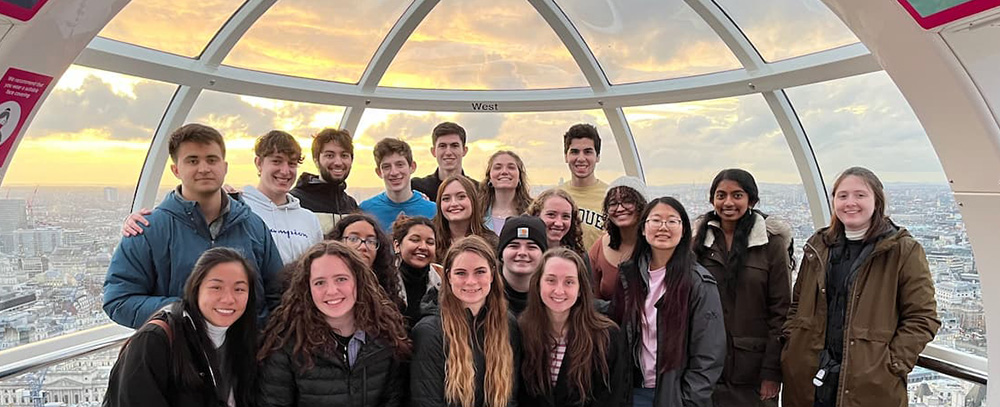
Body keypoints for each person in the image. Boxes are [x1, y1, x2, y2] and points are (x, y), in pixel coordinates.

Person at [781, 167, 940, 407]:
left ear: (877, 201)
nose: (850, 203)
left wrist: (891, 365)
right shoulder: (818, 246)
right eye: (842, 196)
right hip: (808, 378)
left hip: (869, 385)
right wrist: (792, 348)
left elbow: (923, 317)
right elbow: (797, 305)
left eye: (860, 195)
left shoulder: (903, 251)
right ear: (833, 201)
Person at [104, 124, 283, 329]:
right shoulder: (148, 231)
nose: (204, 168)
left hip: (247, 355)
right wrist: (185, 312)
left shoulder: (253, 226)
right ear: (176, 170)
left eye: (211, 159)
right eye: (193, 160)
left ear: (224, 167)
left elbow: (278, 294)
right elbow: (118, 301)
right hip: (179, 355)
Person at [121, 130, 325, 265]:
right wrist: (141, 221)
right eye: (277, 161)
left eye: (292, 164)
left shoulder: (308, 219)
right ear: (259, 163)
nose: (285, 170)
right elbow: (187, 213)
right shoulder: (237, 208)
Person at [258, 241, 411, 407]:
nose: (331, 291)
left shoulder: (386, 335)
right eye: (319, 282)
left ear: (358, 281)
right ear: (307, 288)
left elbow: (394, 400)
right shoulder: (286, 344)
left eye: (341, 279)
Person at [104, 247, 259, 407]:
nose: (228, 299)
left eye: (239, 289)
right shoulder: (155, 341)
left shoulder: (241, 339)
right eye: (216, 287)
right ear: (196, 288)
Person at [609, 197, 725, 407]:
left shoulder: (698, 283)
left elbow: (709, 354)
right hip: (631, 392)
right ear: (643, 229)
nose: (663, 227)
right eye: (655, 220)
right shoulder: (629, 275)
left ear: (683, 231)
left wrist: (688, 401)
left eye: (672, 221)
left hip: (674, 396)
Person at [692, 169, 793, 407]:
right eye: (721, 195)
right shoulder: (698, 243)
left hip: (753, 371)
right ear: (712, 200)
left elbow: (781, 311)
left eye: (737, 195)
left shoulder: (771, 245)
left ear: (752, 201)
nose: (728, 202)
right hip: (707, 367)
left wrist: (771, 372)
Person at [410, 236, 521, 407]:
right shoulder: (430, 331)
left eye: (480, 271)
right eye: (461, 273)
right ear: (448, 277)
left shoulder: (508, 323)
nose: (471, 281)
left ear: (492, 274)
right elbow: (426, 401)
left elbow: (511, 397)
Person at [518, 248, 629, 407]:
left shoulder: (606, 337)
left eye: (569, 282)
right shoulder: (522, 331)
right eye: (551, 280)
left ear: (579, 290)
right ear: (538, 284)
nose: (559, 290)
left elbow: (615, 398)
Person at [326, 213, 405, 311]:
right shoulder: (323, 288)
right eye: (353, 239)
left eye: (371, 241)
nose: (363, 247)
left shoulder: (387, 292)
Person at [590, 176, 649, 301]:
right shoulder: (600, 246)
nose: (620, 208)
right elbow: (591, 299)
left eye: (628, 201)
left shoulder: (656, 246)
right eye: (613, 203)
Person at [360, 137, 436, 232]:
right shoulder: (366, 210)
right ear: (379, 172)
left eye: (400, 165)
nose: (394, 172)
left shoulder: (433, 210)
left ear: (412, 167)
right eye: (386, 167)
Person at [290, 128, 360, 231]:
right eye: (330, 155)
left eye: (344, 155)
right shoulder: (296, 201)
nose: (338, 162)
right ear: (316, 160)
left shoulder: (350, 205)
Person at [560, 124, 609, 250]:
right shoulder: (555, 196)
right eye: (575, 152)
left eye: (588, 152)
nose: (581, 158)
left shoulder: (610, 197)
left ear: (597, 157)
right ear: (566, 156)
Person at [526, 189, 592, 274]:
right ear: (536, 215)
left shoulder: (580, 256)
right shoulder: (524, 253)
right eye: (551, 215)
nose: (558, 223)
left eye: (565, 216)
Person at [391, 215, 440, 327]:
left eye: (430, 242)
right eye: (415, 240)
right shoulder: (383, 279)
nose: (423, 247)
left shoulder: (443, 279)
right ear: (397, 245)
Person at [434, 175, 497, 261]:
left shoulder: (491, 242)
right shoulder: (431, 240)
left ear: (473, 200)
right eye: (446, 199)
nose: (454, 203)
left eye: (461, 197)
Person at [412, 122, 477, 201]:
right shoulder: (416, 188)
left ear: (464, 150)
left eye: (454, 146)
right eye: (442, 146)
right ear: (433, 151)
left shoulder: (478, 190)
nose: (448, 152)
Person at [497, 215, 548, 316]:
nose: (522, 253)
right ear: (501, 253)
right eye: (514, 246)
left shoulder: (552, 297)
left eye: (531, 247)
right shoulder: (485, 293)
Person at [479, 150, 533, 234]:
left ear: (519, 177)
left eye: (511, 167)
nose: (504, 172)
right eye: (498, 167)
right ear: (489, 177)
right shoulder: (477, 213)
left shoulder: (533, 212)